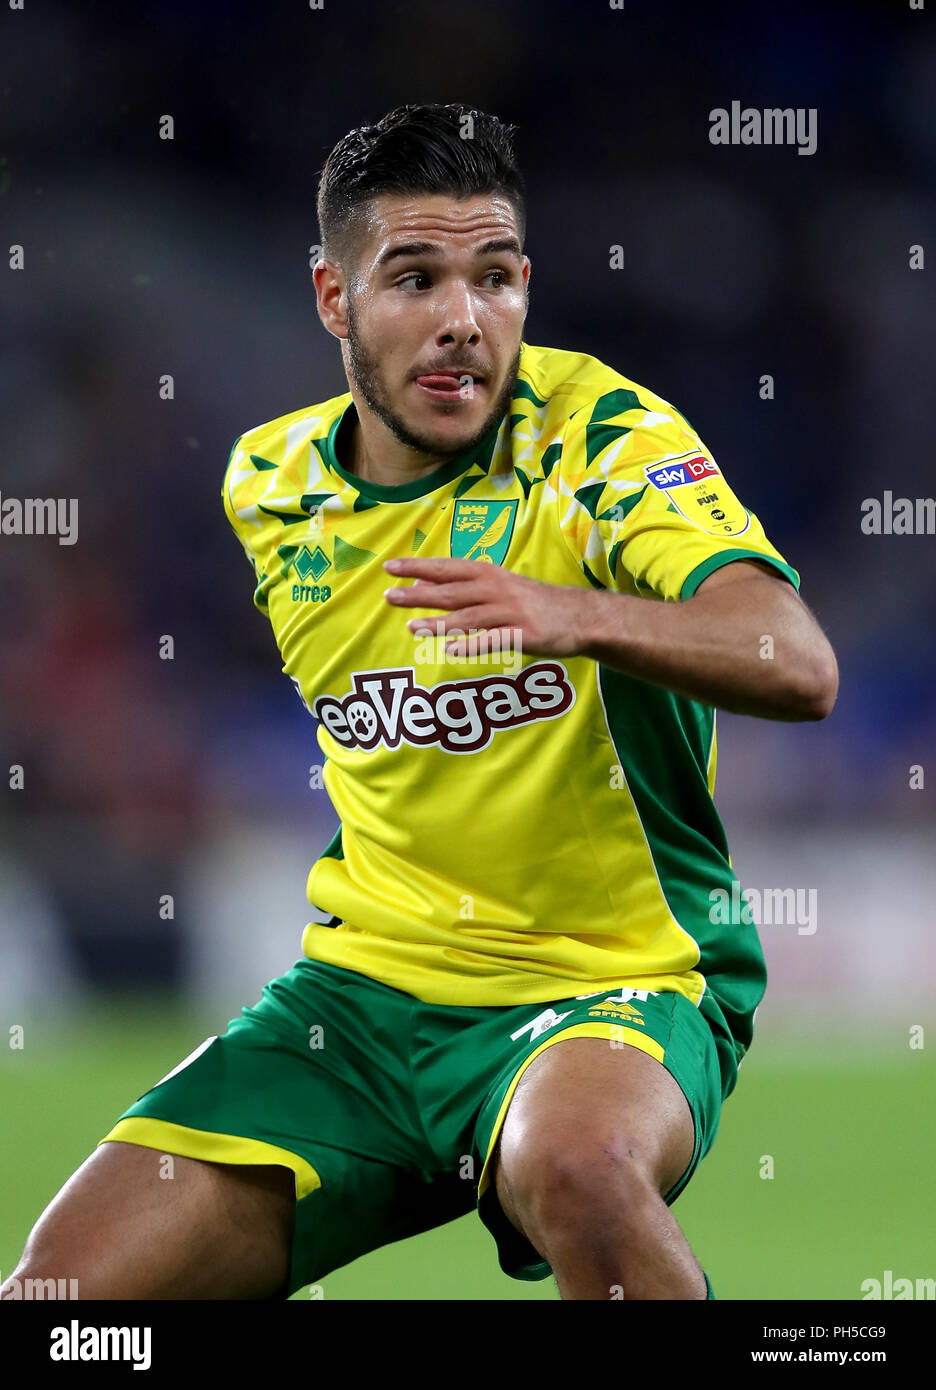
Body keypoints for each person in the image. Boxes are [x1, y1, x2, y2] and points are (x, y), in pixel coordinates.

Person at [2, 103, 838, 1302]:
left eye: (495, 277)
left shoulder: (602, 438)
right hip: (363, 1000)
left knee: (583, 1168)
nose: (463, 321)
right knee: (61, 1302)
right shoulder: (272, 484)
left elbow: (797, 661)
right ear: (334, 300)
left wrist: (577, 613)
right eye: (416, 278)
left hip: (613, 981)